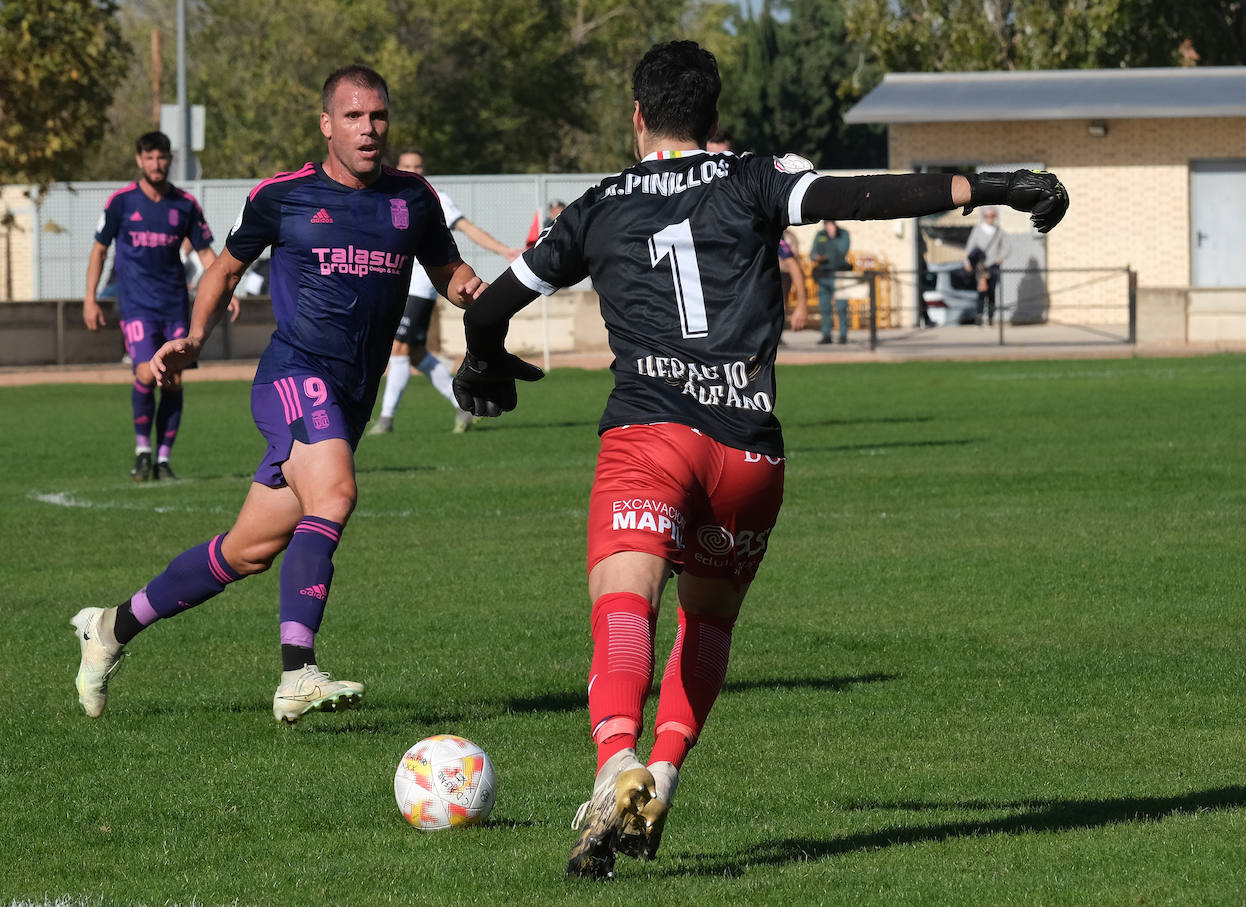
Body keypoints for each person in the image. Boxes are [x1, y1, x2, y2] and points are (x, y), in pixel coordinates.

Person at [450, 40, 1068, 879]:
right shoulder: (753, 176)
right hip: (749, 452)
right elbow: (868, 193)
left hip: (651, 436)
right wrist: (993, 182)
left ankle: (615, 764)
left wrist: (483, 364)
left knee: (623, 599)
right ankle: (663, 773)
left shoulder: (596, 207)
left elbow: (489, 307)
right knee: (706, 621)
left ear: (637, 117)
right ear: (714, 116)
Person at [69, 65, 486, 726]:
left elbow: (447, 268)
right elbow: (226, 267)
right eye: (353, 116)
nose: (368, 129)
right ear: (327, 124)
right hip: (294, 373)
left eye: (378, 116)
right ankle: (297, 671)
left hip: (352, 393)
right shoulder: (283, 195)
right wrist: (195, 336)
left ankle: (109, 628)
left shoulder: (413, 198)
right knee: (337, 495)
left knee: (246, 550)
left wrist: (472, 289)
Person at [83, 131, 229, 481]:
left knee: (173, 379)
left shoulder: (185, 205)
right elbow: (100, 250)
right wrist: (90, 299)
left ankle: (162, 459)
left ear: (169, 160)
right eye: (149, 157)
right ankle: (142, 450)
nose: (156, 164)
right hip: (137, 306)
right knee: (147, 372)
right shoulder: (121, 202)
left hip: (175, 306)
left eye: (162, 157)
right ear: (139, 160)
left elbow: (207, 252)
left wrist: (228, 287)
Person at [367, 148, 520, 435]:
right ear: (398, 166)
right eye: (408, 165)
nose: (414, 169)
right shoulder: (385, 195)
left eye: (419, 165)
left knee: (398, 349)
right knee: (413, 353)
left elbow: (467, 228)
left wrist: (502, 250)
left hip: (421, 289)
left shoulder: (431, 198)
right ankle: (463, 406)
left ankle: (386, 420)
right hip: (396, 285)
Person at [964, 205, 1012, 326]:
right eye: (987, 216)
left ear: (995, 217)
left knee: (991, 292)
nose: (989, 218)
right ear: (984, 217)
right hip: (980, 266)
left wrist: (999, 258)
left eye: (992, 216)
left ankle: (990, 318)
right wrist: (967, 262)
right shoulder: (977, 230)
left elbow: (1007, 248)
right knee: (981, 291)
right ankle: (979, 317)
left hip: (993, 266)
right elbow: (970, 247)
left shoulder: (999, 232)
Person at [810, 219, 851, 344]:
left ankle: (843, 335)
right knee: (825, 307)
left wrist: (832, 237)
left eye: (830, 223)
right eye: (826, 224)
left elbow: (841, 252)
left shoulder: (843, 234)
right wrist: (818, 257)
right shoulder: (821, 235)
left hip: (839, 274)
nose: (828, 226)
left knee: (841, 307)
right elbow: (812, 254)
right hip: (824, 275)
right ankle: (826, 334)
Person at [778, 229, 808, 344]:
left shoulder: (782, 236)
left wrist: (801, 305)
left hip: (782, 274)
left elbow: (792, 263)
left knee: (782, 304)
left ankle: (778, 335)